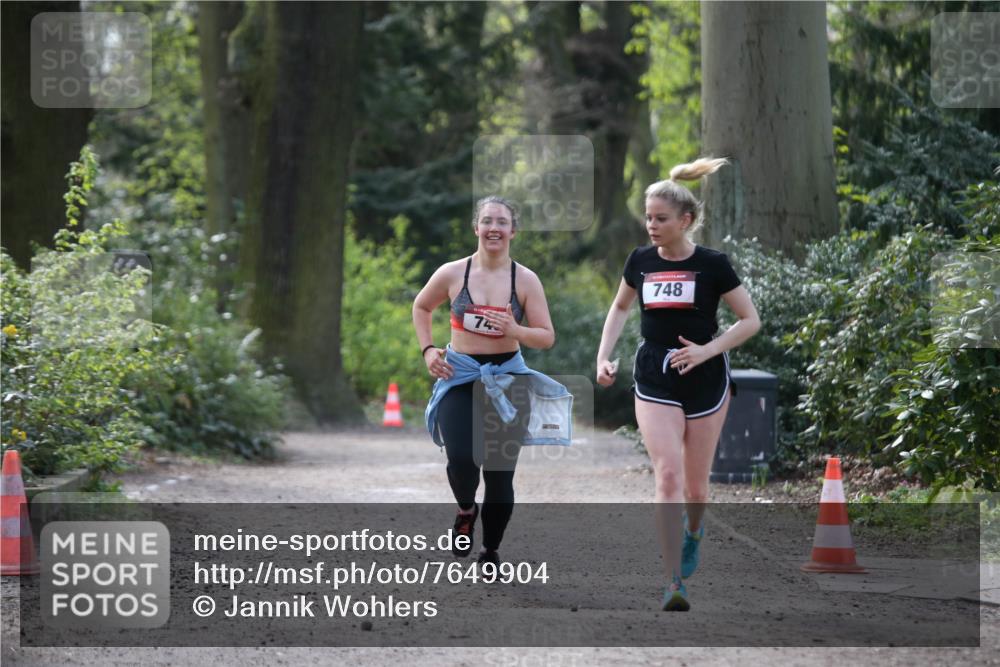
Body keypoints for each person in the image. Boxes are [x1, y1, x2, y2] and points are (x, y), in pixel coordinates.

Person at [595, 158, 761, 611]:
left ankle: (694, 531)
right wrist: (603, 356)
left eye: (661, 219)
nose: (651, 226)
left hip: (705, 375)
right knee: (667, 474)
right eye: (648, 217)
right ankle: (673, 582)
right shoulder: (640, 261)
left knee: (696, 489)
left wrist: (708, 350)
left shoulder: (712, 264)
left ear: (685, 220)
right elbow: (619, 309)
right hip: (655, 372)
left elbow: (750, 321)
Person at [413, 195, 569, 568]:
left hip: (508, 381)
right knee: (462, 458)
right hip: (460, 375)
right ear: (476, 228)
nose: (494, 228)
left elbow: (546, 336)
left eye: (502, 222)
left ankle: (490, 549)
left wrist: (516, 329)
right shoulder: (453, 273)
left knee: (499, 477)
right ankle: (466, 509)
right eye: (487, 221)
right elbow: (422, 306)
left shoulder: (525, 279)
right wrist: (429, 350)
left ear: (514, 231)